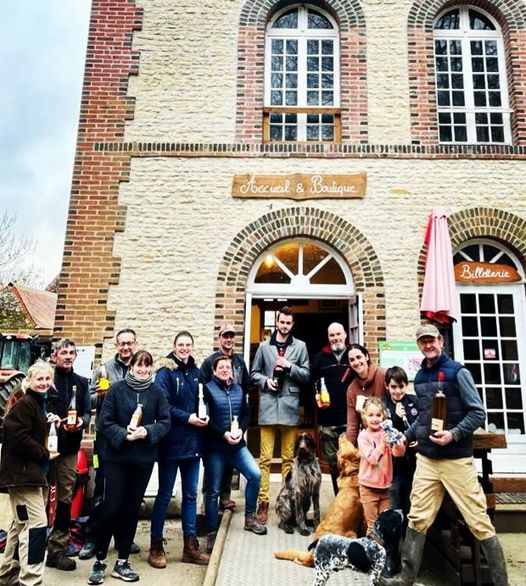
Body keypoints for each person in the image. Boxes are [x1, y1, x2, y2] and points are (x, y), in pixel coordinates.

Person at [381, 324, 508, 586]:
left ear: (441, 341)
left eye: (431, 340)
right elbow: (424, 420)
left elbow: (478, 413)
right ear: (419, 345)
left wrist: (454, 434)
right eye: (423, 341)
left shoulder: (458, 372)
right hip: (427, 460)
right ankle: (405, 579)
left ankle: (500, 582)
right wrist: (404, 437)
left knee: (477, 520)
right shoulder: (422, 377)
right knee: (417, 518)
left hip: (456, 460)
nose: (428, 345)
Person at [87, 350, 169, 585]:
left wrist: (147, 431)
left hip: (142, 460)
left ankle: (122, 561)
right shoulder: (116, 389)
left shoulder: (156, 392)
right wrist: (124, 435)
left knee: (132, 509)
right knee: (111, 508)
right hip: (117, 459)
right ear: (131, 366)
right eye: (139, 365)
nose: (143, 370)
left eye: (147, 366)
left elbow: (165, 422)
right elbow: (104, 422)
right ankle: (100, 560)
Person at [148, 331, 210, 569]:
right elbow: (163, 405)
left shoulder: (196, 373)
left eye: (188, 345)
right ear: (174, 346)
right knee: (164, 495)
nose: (184, 348)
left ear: (192, 348)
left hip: (193, 445)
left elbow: (203, 401)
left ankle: (190, 547)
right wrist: (189, 419)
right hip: (170, 444)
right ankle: (155, 546)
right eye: (180, 344)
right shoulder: (165, 373)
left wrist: (204, 418)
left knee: (191, 496)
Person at [0, 361, 61, 586]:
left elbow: (31, 432)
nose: (44, 383)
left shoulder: (39, 404)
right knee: (35, 529)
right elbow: (17, 436)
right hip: (22, 478)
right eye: (39, 379)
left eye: (47, 379)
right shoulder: (25, 403)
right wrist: (44, 453)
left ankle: (7, 575)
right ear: (30, 380)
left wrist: (49, 423)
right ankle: (31, 581)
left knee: (19, 527)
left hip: (33, 478)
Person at [80, 328, 139, 560]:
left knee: (126, 492)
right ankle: (93, 538)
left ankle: (122, 538)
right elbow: (89, 400)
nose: (126, 347)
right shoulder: (104, 369)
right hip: (106, 438)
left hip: (131, 438)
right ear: (116, 346)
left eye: (129, 343)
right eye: (122, 343)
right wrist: (101, 396)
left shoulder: (139, 368)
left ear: (135, 344)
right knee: (102, 491)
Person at [250, 306, 310, 524]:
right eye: (281, 322)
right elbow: (253, 373)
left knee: (288, 459)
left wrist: (289, 366)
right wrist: (266, 381)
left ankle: (286, 501)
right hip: (267, 406)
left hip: (290, 407)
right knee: (265, 459)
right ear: (277, 322)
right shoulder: (265, 347)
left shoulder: (300, 346)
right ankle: (263, 502)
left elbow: (306, 375)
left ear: (292, 325)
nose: (284, 326)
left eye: (288, 323)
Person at [204, 355, 266, 553]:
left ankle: (250, 518)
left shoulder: (239, 389)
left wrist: (241, 430)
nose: (224, 370)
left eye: (227, 367)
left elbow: (247, 414)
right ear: (214, 371)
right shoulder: (207, 389)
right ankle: (212, 533)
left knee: (255, 475)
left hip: (237, 446)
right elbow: (205, 421)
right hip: (215, 448)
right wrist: (223, 434)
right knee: (213, 491)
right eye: (220, 367)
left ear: (232, 370)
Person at [46, 338, 91, 572]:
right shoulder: (46, 378)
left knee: (64, 499)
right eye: (64, 352)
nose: (68, 356)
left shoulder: (82, 383)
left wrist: (82, 421)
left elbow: (86, 413)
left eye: (72, 352)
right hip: (43, 448)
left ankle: (56, 549)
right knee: (39, 497)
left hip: (69, 449)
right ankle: (27, 548)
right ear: (55, 356)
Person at [201, 323, 251, 511]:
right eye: (225, 336)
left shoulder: (239, 362)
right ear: (219, 338)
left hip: (235, 415)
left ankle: (225, 497)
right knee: (213, 465)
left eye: (231, 336)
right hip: (215, 417)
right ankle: (208, 501)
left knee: (230, 461)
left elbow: (245, 386)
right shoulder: (209, 362)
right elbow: (203, 388)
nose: (228, 339)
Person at [310, 322, 353, 495]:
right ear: (328, 338)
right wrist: (316, 398)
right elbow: (312, 383)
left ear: (345, 335)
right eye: (332, 335)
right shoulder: (320, 358)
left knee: (351, 464)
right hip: (327, 422)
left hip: (350, 421)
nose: (335, 338)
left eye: (338, 334)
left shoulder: (353, 355)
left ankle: (354, 504)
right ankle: (339, 501)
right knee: (333, 465)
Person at [357, 397, 405, 536]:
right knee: (372, 526)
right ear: (364, 416)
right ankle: (370, 556)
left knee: (384, 525)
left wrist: (397, 442)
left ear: (383, 415)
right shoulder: (363, 436)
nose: (375, 419)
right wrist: (382, 445)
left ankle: (384, 555)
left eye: (378, 415)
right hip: (368, 487)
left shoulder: (386, 433)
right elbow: (372, 458)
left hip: (385, 486)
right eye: (371, 415)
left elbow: (398, 454)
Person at [383, 366, 418, 521]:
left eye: (401, 386)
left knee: (412, 505)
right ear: (387, 386)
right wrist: (396, 418)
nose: (397, 391)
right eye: (393, 387)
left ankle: (409, 541)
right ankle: (396, 543)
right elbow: (382, 432)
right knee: (395, 507)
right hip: (393, 466)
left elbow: (422, 425)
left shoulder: (414, 402)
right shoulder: (383, 406)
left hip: (414, 464)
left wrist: (418, 441)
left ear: (406, 385)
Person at [346, 343, 386, 447]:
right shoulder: (352, 389)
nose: (356, 362)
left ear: (367, 357)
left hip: (387, 437)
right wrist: (348, 450)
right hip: (367, 441)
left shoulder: (383, 375)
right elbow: (352, 424)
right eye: (352, 360)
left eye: (359, 357)